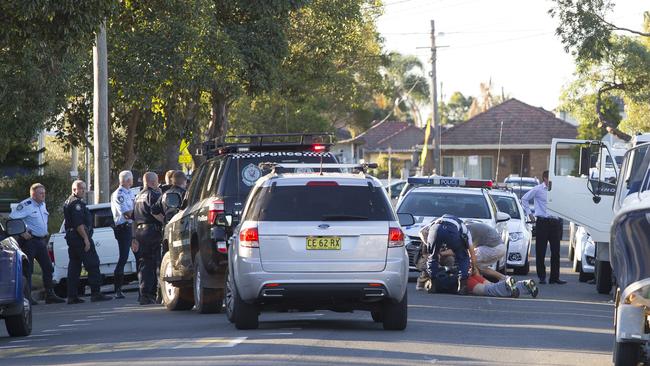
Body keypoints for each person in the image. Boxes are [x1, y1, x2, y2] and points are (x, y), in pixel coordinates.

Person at [9, 183, 65, 304]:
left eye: (44, 192)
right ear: (33, 194)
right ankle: (27, 297)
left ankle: (50, 294)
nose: (44, 195)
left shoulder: (42, 204)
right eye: (41, 193)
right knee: (28, 269)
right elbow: (12, 218)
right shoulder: (26, 205)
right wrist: (22, 232)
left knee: (48, 267)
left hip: (41, 241)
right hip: (29, 242)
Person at [63, 180, 112, 304]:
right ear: (74, 189)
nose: (83, 191)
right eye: (81, 189)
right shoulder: (76, 204)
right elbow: (79, 224)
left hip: (72, 237)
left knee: (74, 266)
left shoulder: (69, 201)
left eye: (84, 188)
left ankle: (72, 296)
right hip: (79, 237)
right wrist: (86, 239)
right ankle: (96, 293)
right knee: (93, 264)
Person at [522, 170, 566, 285]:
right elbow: (524, 199)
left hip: (555, 223)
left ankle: (554, 277)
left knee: (556, 252)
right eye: (550, 178)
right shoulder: (538, 189)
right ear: (545, 178)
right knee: (541, 251)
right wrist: (529, 214)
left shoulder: (557, 190)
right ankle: (542, 276)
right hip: (542, 222)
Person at [419, 214, 475, 295]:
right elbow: (471, 250)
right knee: (463, 257)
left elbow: (421, 232)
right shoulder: (464, 228)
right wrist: (474, 266)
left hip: (435, 229)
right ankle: (462, 286)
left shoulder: (436, 221)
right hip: (451, 231)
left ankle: (433, 285)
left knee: (433, 256)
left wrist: (430, 245)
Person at [132, 172, 164, 305]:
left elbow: (133, 218)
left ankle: (143, 294)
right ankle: (149, 294)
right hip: (151, 231)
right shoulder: (153, 194)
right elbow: (154, 211)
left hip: (140, 232)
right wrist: (165, 221)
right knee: (154, 263)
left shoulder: (138, 195)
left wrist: (133, 237)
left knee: (143, 263)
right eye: (156, 181)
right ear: (152, 182)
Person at [110, 170, 137, 299]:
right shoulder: (119, 194)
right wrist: (140, 214)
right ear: (127, 180)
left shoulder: (130, 192)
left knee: (140, 256)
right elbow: (127, 213)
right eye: (131, 179)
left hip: (132, 226)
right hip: (124, 228)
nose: (132, 181)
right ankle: (118, 289)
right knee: (124, 257)